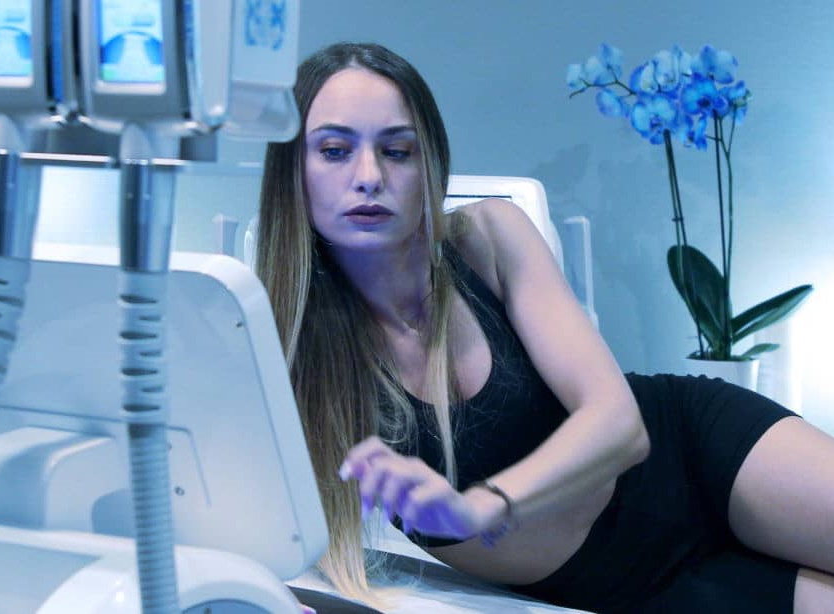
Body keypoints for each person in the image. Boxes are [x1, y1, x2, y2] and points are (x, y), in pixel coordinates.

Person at [254, 41, 834, 613]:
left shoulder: (488, 236)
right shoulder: (285, 352)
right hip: (618, 587)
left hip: (693, 456)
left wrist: (482, 506)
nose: (369, 175)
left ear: (428, 164)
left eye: (397, 151)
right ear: (292, 171)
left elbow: (620, 425)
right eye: (334, 150)